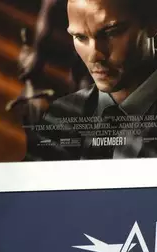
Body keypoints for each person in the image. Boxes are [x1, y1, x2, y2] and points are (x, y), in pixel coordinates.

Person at [25, 0, 157, 161]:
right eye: (80, 37)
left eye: (111, 33)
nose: (94, 55)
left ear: (152, 23)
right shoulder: (61, 113)